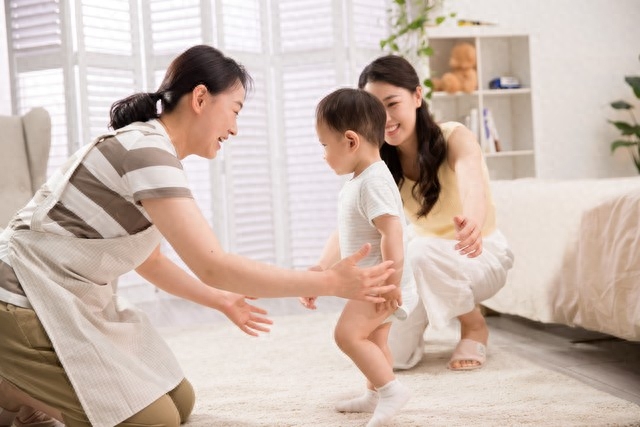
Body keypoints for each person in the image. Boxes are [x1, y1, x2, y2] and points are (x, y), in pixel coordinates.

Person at [0, 45, 398, 427]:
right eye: (235, 110)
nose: (236, 129)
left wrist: (221, 300)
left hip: (64, 299)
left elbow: (150, 260)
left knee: (180, 403)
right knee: (152, 421)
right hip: (22, 303)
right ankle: (9, 390)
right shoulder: (145, 151)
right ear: (201, 97)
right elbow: (212, 264)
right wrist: (328, 282)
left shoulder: (152, 148)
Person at [356, 54, 515, 371]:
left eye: (392, 103)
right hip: (421, 264)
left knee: (419, 251)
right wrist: (321, 267)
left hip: (478, 254)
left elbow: (473, 184)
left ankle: (473, 325)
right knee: (393, 359)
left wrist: (472, 220)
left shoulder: (455, 136)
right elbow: (355, 220)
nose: (384, 118)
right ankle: (425, 310)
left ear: (417, 96)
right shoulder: (378, 164)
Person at [299, 88, 418, 427]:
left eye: (324, 145)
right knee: (374, 339)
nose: (322, 154)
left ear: (350, 141)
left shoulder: (374, 182)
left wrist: (392, 283)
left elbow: (392, 233)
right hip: (376, 280)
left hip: (381, 281)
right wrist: (322, 268)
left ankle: (392, 390)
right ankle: (375, 394)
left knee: (347, 335)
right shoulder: (360, 181)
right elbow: (345, 235)